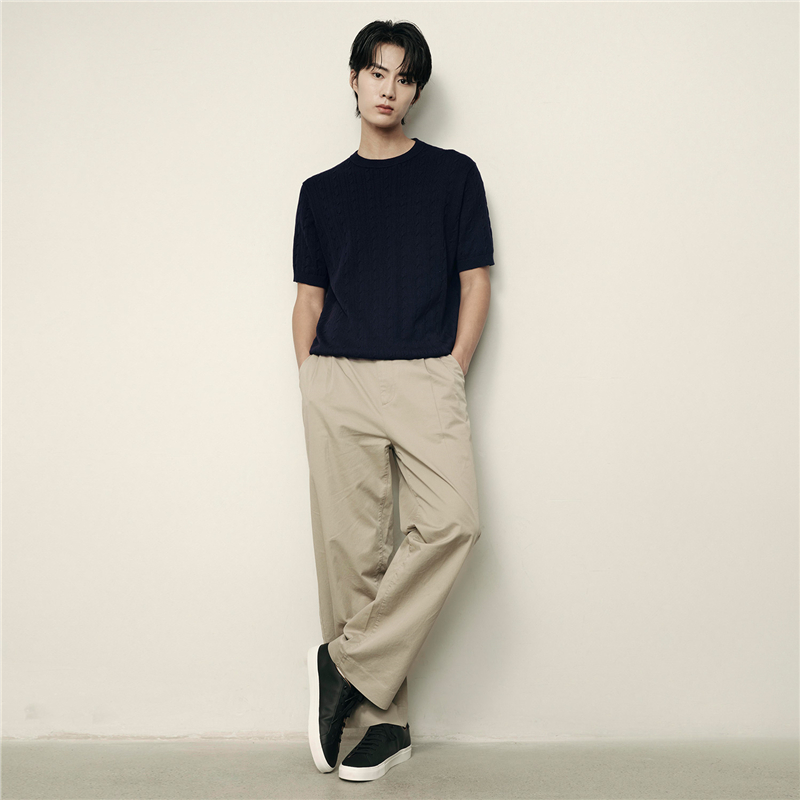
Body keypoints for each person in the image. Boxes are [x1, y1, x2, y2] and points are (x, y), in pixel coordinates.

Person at [291, 18, 493, 782]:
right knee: (352, 556)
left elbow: (476, 283)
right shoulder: (320, 193)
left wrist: (452, 368)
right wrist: (311, 379)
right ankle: (385, 726)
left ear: (415, 91)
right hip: (338, 378)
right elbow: (308, 300)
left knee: (454, 522)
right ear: (353, 79)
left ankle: (341, 664)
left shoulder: (453, 176)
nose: (389, 88)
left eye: (404, 77)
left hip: (425, 375)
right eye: (377, 72)